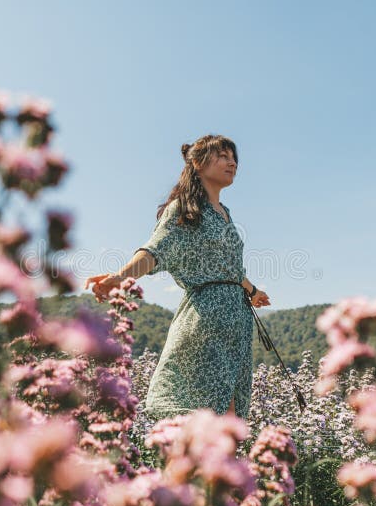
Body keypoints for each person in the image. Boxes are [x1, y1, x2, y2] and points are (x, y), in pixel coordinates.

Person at [84, 134, 270, 421]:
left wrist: (252, 290)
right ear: (197, 163)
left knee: (230, 417)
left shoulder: (226, 214)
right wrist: (119, 278)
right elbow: (154, 250)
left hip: (237, 325)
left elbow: (230, 268)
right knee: (201, 418)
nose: (231, 162)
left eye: (233, 157)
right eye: (222, 155)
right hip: (205, 320)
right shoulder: (185, 209)